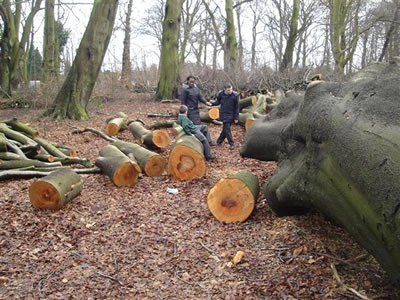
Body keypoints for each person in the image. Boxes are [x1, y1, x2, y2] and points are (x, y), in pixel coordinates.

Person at [212, 84, 239, 150]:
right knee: (226, 129)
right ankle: (225, 142)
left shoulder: (235, 95)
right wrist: (212, 104)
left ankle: (224, 142)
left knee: (226, 129)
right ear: (225, 90)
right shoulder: (221, 94)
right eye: (228, 90)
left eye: (231, 90)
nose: (230, 91)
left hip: (231, 114)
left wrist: (236, 117)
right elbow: (218, 101)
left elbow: (237, 107)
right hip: (223, 113)